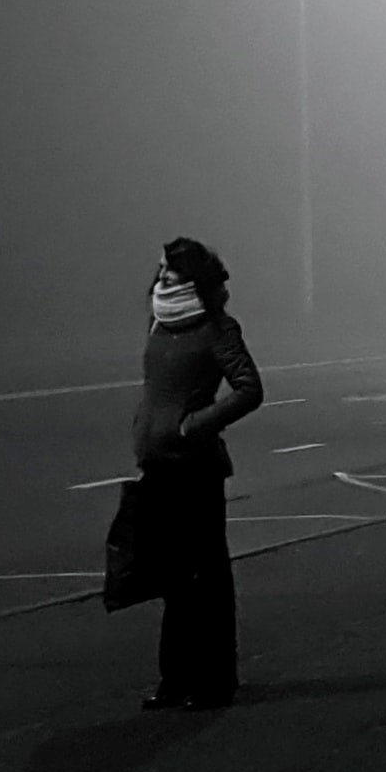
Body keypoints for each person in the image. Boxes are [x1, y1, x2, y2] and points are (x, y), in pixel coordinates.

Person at [129, 236, 263, 710]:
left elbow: (249, 389)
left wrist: (194, 425)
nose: (163, 276)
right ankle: (175, 680)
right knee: (172, 577)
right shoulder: (159, 322)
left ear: (195, 279)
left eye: (174, 271)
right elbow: (156, 390)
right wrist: (144, 429)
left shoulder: (217, 328)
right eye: (163, 268)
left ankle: (216, 679)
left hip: (196, 468)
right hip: (158, 465)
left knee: (208, 575)